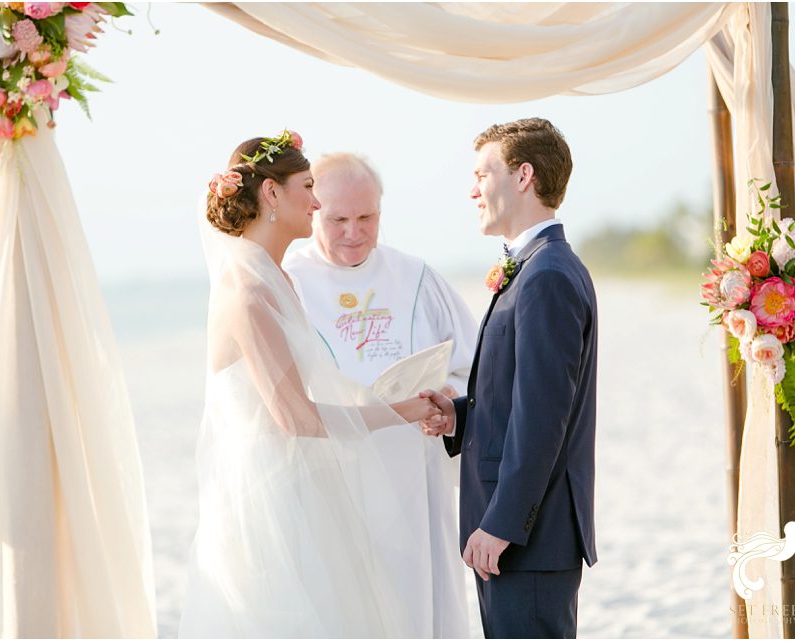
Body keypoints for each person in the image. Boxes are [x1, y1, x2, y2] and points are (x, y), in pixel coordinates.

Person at [178, 131, 443, 638]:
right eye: (307, 186)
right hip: (271, 503)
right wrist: (401, 411)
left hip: (306, 487)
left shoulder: (279, 279)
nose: (317, 201)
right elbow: (297, 419)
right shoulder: (248, 292)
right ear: (272, 194)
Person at [283, 152, 476, 638]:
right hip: (335, 474)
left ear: (381, 211)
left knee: (416, 600)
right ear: (313, 212)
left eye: (366, 217)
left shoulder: (415, 277)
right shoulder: (287, 280)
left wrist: (447, 394)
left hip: (414, 467)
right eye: (338, 219)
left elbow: (476, 364)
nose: (354, 231)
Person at [422, 118, 598, 638]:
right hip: (518, 534)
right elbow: (520, 396)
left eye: (483, 172)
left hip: (528, 535)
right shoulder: (536, 265)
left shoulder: (546, 276)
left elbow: (544, 418)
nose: (472, 189)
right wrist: (457, 414)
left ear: (523, 176)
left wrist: (502, 524)